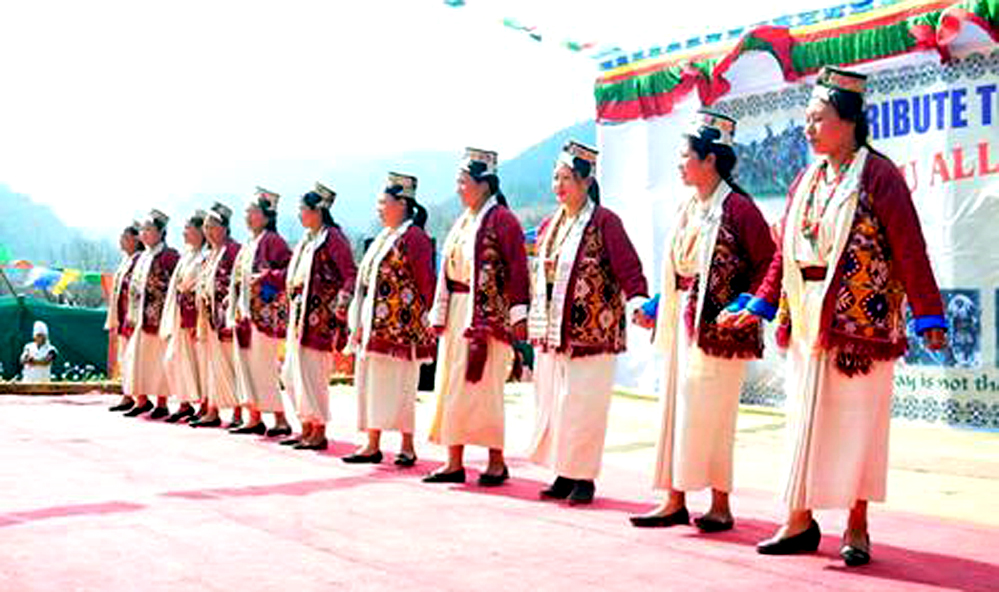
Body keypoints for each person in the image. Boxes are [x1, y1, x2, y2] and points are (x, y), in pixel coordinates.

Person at [719, 66, 948, 566]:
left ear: (848, 121)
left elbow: (909, 247)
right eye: (807, 118)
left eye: (818, 118)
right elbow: (784, 255)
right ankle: (798, 520)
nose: (808, 128)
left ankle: (857, 524)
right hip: (807, 320)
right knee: (804, 421)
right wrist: (758, 306)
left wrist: (929, 315)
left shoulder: (879, 175)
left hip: (859, 325)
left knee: (857, 425)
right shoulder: (807, 179)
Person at [628, 112, 775, 528]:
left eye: (685, 155)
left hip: (719, 328)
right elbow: (684, 269)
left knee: (715, 414)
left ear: (710, 159)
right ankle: (674, 498)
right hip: (682, 322)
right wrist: (657, 306)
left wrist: (747, 305)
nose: (679, 163)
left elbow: (769, 263)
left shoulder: (739, 209)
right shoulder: (688, 207)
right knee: (677, 409)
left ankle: (720, 504)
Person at [526, 141, 649, 505]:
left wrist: (638, 301)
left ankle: (584, 477)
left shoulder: (605, 222)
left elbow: (629, 268)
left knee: (584, 407)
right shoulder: (551, 225)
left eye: (566, 178)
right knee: (557, 404)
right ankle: (564, 472)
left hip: (593, 332)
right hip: (555, 332)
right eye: (556, 178)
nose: (559, 185)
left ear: (586, 181)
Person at [424, 148, 530, 486]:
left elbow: (518, 269)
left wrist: (519, 315)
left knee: (484, 390)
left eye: (463, 181)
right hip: (457, 310)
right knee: (450, 384)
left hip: (486, 318)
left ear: (484, 184)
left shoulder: (503, 220)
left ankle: (496, 461)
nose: (458, 188)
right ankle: (453, 460)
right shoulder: (463, 221)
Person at [344, 172, 436, 467]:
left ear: (402, 204)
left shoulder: (414, 237)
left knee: (401, 387)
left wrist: (433, 319)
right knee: (372, 383)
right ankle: (372, 443)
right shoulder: (384, 237)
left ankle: (407, 446)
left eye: (383, 202)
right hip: (374, 325)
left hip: (401, 329)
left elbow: (426, 281)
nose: (379, 208)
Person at [270, 182, 356, 450]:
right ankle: (305, 425)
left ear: (317, 211)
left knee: (313, 376)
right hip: (299, 314)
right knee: (291, 374)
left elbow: (350, 274)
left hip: (319, 318)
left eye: (303, 209)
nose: (300, 215)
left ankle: (318, 430)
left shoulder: (333, 238)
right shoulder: (307, 240)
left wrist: (340, 308)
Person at [228, 187, 293, 437]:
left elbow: (289, 271)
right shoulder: (248, 243)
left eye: (253, 211)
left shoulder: (273, 241)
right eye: (247, 211)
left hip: (263, 314)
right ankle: (253, 416)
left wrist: (267, 278)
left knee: (263, 367)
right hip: (244, 313)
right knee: (245, 366)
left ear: (266, 216)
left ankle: (280, 419)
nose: (248, 216)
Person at [122, 209, 180, 418]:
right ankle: (142, 399)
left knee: (157, 360)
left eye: (149, 229)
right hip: (138, 317)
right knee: (138, 359)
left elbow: (176, 283)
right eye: (143, 230)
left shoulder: (169, 255)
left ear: (161, 232)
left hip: (158, 318)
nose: (144, 233)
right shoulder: (141, 257)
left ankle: (162, 403)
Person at [190, 202, 243, 429]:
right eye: (206, 227)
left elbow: (239, 280)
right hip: (207, 317)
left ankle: (238, 412)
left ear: (224, 228)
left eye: (212, 227)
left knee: (231, 364)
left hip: (226, 318)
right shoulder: (210, 254)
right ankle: (213, 410)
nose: (208, 232)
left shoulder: (233, 250)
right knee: (211, 365)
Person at [160, 210, 209, 423]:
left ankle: (204, 404)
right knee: (175, 359)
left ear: (200, 231)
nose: (184, 233)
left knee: (199, 361)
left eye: (188, 228)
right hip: (180, 314)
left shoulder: (206, 256)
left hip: (196, 316)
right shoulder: (186, 255)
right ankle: (184, 402)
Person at [107, 222, 145, 411]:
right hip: (122, 314)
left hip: (133, 315)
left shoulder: (140, 260)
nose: (121, 240)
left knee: (134, 357)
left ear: (135, 240)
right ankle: (127, 394)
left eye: (125, 237)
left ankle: (140, 397)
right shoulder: (126, 260)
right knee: (124, 356)